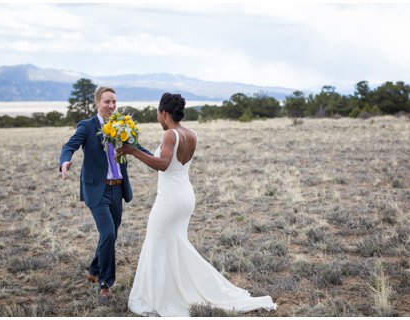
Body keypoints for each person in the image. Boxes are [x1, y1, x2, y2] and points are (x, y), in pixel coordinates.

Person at [119, 92, 277, 316]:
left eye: (157, 113)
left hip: (170, 199)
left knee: (156, 242)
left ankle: (160, 296)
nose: (157, 116)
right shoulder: (191, 133)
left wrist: (132, 151)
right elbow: (173, 164)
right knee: (174, 244)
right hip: (186, 197)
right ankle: (177, 288)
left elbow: (163, 164)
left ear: (164, 114)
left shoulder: (170, 135)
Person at [58, 86, 151, 298]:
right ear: (97, 103)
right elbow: (68, 146)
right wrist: (64, 161)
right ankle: (105, 283)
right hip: (96, 190)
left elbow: (136, 147)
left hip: (118, 188)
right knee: (108, 232)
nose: (111, 106)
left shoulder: (122, 126)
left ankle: (94, 270)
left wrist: (158, 160)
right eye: (107, 102)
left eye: (114, 102)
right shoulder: (87, 127)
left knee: (111, 234)